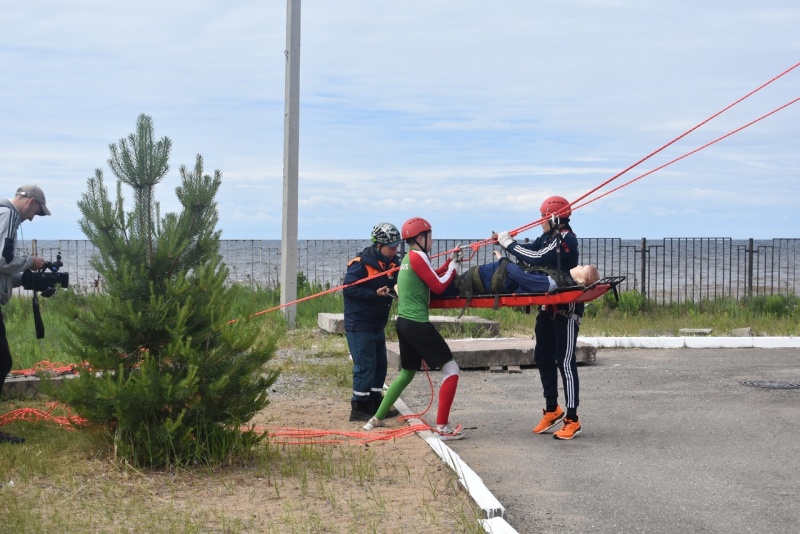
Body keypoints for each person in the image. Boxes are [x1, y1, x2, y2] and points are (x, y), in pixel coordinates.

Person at [363, 217, 465, 440]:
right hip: (418, 324)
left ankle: (375, 419)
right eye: (430, 236)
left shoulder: (411, 257)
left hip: (404, 323)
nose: (432, 240)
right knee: (451, 370)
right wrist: (455, 269)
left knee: (407, 372)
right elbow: (437, 285)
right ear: (421, 238)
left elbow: (431, 274)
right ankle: (443, 428)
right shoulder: (419, 256)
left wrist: (450, 262)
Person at [495, 195, 585, 440]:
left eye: (544, 217)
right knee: (542, 356)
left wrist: (508, 244)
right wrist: (508, 243)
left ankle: (573, 418)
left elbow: (536, 258)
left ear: (555, 217)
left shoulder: (566, 239)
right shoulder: (547, 237)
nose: (540, 222)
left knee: (564, 361)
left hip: (567, 308)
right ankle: (552, 408)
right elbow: (530, 251)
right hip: (549, 307)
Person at [0, 185, 51, 445]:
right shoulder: (8, 215)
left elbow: (4, 273)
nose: (32, 219)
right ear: (30, 202)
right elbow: (2, 260)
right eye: (36, 213)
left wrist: (28, 279)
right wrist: (30, 261)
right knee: (2, 361)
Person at [343, 222, 403, 422]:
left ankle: (376, 402)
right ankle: (359, 407)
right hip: (359, 324)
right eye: (391, 247)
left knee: (380, 365)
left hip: (377, 324)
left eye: (397, 246)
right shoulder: (360, 263)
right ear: (379, 245)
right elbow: (349, 289)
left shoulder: (394, 263)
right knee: (365, 366)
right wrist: (373, 293)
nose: (395, 251)